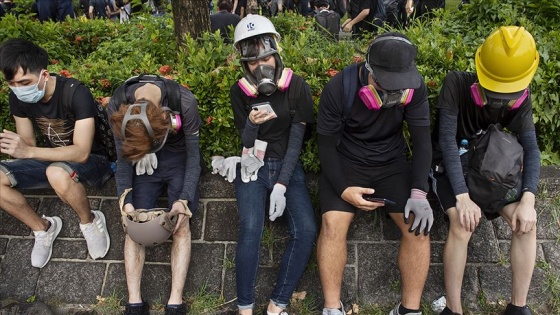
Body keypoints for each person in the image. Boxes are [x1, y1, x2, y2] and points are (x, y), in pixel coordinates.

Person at [317, 32, 433, 315]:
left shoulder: (414, 89)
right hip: (347, 164)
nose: (392, 93)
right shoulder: (338, 88)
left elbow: (422, 143)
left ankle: (409, 309)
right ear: (367, 69)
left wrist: (419, 192)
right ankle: (332, 308)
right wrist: (344, 189)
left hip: (392, 165)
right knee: (332, 224)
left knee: (418, 227)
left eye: (398, 86)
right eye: (385, 85)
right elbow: (326, 147)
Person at [431, 26, 540, 315]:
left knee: (526, 225)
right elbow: (446, 142)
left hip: (490, 168)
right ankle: (453, 310)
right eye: (494, 93)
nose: (500, 102)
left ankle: (518, 308)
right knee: (462, 224)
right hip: (450, 168)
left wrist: (528, 199)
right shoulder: (455, 84)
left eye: (507, 96)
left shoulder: (521, 98)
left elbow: (532, 149)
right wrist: (463, 197)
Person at [213, 14, 317, 315]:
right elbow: (245, 138)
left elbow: (297, 141)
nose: (262, 66)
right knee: (249, 229)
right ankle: (245, 308)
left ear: (277, 52)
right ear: (244, 64)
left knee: (307, 230)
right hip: (252, 165)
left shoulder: (297, 87)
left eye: (267, 56)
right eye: (253, 61)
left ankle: (277, 304)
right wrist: (251, 121)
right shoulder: (239, 92)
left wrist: (282, 184)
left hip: (287, 166)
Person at [0, 38, 112, 268]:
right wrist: (16, 147)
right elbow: (28, 143)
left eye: (25, 82)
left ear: (44, 75)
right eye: (12, 83)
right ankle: (43, 228)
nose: (19, 89)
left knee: (56, 173)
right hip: (50, 158)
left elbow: (81, 153)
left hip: (95, 161)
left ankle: (89, 222)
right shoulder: (18, 98)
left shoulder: (75, 92)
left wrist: (28, 150)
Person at [107, 74, 202, 315]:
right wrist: (125, 202)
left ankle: (175, 302)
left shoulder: (185, 102)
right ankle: (134, 303)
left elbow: (194, 158)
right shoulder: (118, 104)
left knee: (181, 222)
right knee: (134, 223)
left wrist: (184, 199)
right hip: (140, 159)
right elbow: (123, 159)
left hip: (177, 158)